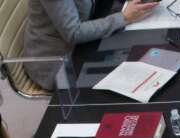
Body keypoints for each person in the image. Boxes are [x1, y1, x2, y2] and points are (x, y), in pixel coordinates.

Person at [23, 0, 161, 89]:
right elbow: (74, 33)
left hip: (85, 40)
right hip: (57, 62)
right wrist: (124, 17)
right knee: (135, 73)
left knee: (147, 51)